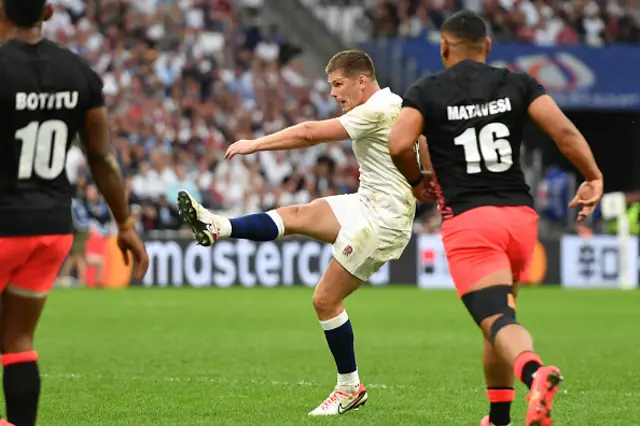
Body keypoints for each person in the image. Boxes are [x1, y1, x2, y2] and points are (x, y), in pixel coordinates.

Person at [178, 49, 429, 416]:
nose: (332, 93)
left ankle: (349, 388)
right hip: (368, 202)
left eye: (337, 84)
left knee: (325, 301)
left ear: (362, 81)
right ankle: (217, 227)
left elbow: (311, 134)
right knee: (296, 214)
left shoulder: (376, 110)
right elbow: (423, 139)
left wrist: (255, 144)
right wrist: (424, 178)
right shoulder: (396, 104)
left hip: (383, 221)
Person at [388, 11, 603, 426]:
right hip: (520, 220)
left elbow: (400, 142)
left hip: (472, 223)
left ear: (443, 47)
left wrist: (417, 179)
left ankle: (535, 373)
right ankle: (498, 419)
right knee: (499, 319)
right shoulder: (517, 82)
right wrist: (593, 176)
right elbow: (564, 134)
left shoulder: (428, 90)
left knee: (498, 320)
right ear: (487, 47)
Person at [0, 1, 149, 425]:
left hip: (3, 223)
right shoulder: (79, 72)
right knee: (17, 338)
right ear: (47, 13)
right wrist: (124, 224)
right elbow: (101, 157)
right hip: (50, 227)